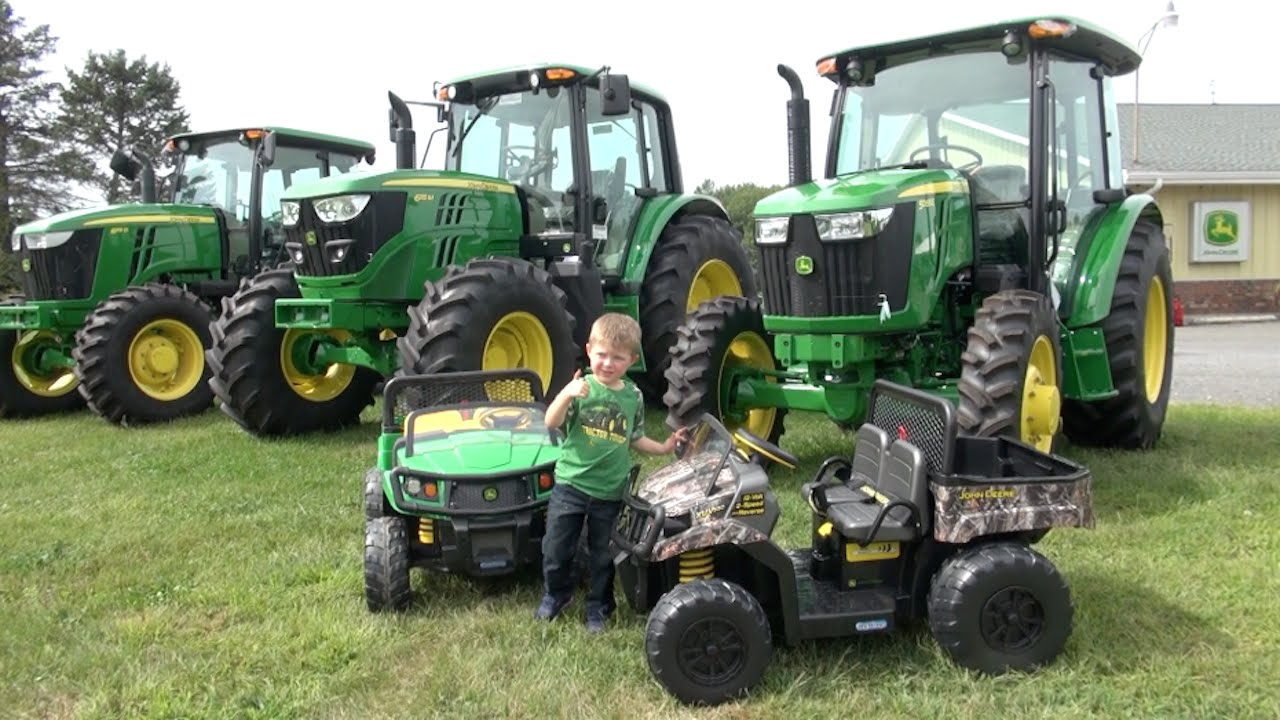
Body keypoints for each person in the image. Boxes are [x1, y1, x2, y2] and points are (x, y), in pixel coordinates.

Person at [535, 313, 687, 633]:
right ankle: (556, 594)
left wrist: (664, 447)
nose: (607, 363)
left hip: (610, 492)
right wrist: (566, 394)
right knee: (556, 547)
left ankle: (599, 605)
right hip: (571, 486)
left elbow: (634, 437)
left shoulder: (633, 397)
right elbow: (551, 422)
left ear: (632, 360)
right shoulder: (582, 388)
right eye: (602, 354)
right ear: (589, 350)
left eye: (617, 358)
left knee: (603, 555)